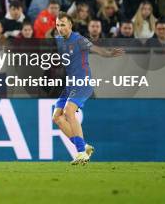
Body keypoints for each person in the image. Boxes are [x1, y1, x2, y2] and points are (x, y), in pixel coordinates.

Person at [52, 13, 125, 165]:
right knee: (56, 117)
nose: (60, 28)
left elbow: (97, 49)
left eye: (63, 24)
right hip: (70, 83)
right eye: (58, 25)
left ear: (70, 25)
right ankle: (84, 147)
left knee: (69, 112)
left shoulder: (78, 39)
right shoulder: (58, 40)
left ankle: (81, 153)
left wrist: (109, 53)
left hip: (82, 82)